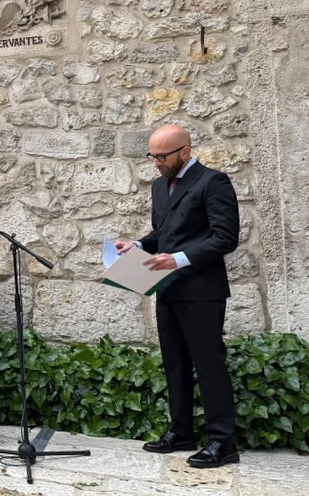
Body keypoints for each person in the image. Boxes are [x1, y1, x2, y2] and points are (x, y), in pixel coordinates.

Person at [116, 124, 241, 468]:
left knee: (209, 365)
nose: (155, 163)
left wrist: (179, 258)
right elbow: (163, 232)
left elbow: (225, 238)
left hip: (202, 292)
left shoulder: (213, 182)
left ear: (185, 151)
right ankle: (181, 431)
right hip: (167, 288)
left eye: (161, 156)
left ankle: (222, 442)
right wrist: (138, 245)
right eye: (152, 156)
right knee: (175, 363)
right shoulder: (160, 186)